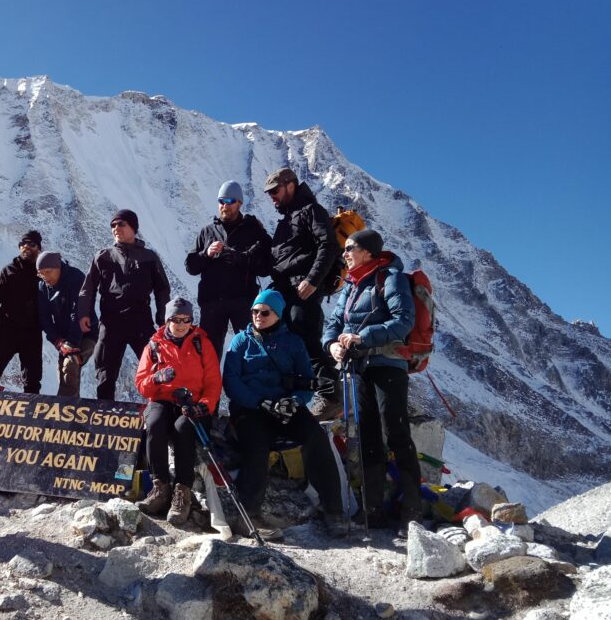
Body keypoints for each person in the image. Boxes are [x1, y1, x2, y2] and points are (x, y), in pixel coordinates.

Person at [223, 289, 348, 537]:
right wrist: (260, 403)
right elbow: (232, 382)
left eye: (265, 312)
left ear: (277, 315)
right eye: (255, 311)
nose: (258, 316)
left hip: (285, 406)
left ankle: (333, 509)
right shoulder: (240, 341)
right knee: (257, 445)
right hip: (251, 409)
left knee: (315, 436)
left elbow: (306, 380)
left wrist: (295, 401)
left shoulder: (293, 342)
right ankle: (248, 515)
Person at [321, 229, 421, 535]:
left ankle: (411, 513)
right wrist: (331, 345)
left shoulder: (391, 278)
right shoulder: (351, 286)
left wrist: (362, 336)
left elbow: (404, 321)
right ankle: (372, 511)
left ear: (369, 252)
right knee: (367, 435)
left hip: (389, 364)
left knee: (396, 430)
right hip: (359, 366)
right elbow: (333, 324)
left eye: (350, 248)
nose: (345, 253)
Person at [134, 298, 222, 526]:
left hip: (192, 402)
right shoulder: (153, 345)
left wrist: (204, 405)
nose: (181, 324)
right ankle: (160, 487)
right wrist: (157, 378)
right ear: (167, 320)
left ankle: (183, 490)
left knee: (184, 427)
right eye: (176, 319)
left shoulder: (202, 344)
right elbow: (142, 385)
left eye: (186, 320)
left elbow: (213, 382)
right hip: (162, 399)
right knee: (154, 424)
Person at [264, 167, 341, 418]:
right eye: (269, 193)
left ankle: (331, 397)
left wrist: (313, 280)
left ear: (291, 185)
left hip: (303, 288)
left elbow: (328, 245)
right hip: (284, 289)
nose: (272, 196)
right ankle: (291, 397)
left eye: (275, 191)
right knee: (281, 341)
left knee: (306, 338)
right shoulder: (286, 219)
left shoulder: (311, 211)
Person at [78, 209, 171, 400]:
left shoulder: (149, 257)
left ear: (133, 228)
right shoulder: (103, 257)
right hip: (111, 322)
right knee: (105, 371)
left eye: (121, 224)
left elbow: (162, 289)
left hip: (141, 320)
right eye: (113, 225)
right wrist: (84, 313)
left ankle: (160, 414)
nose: (116, 228)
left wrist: (163, 317)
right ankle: (104, 416)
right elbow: (88, 288)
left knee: (156, 367)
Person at [184, 180, 271, 361]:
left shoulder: (254, 230)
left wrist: (241, 258)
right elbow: (190, 266)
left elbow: (266, 267)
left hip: (243, 302)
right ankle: (210, 390)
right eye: (221, 201)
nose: (225, 206)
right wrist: (206, 254)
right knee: (208, 357)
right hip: (212, 304)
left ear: (239, 203)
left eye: (230, 201)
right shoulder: (207, 232)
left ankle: (250, 388)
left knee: (251, 352)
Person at [0, 230, 43, 393]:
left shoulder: (44, 273)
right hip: (8, 331)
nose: (27, 247)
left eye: (32, 244)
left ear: (39, 248)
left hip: (33, 334)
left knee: (33, 380)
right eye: (23, 244)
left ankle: (31, 414)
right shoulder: (8, 271)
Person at [36, 251, 97, 397]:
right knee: (64, 374)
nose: (45, 277)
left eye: (48, 272)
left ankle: (63, 411)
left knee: (70, 365)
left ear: (58, 267)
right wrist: (57, 340)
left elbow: (80, 312)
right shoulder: (43, 287)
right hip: (63, 337)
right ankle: (73, 411)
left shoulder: (76, 279)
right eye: (40, 273)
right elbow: (44, 317)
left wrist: (72, 343)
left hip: (86, 333)